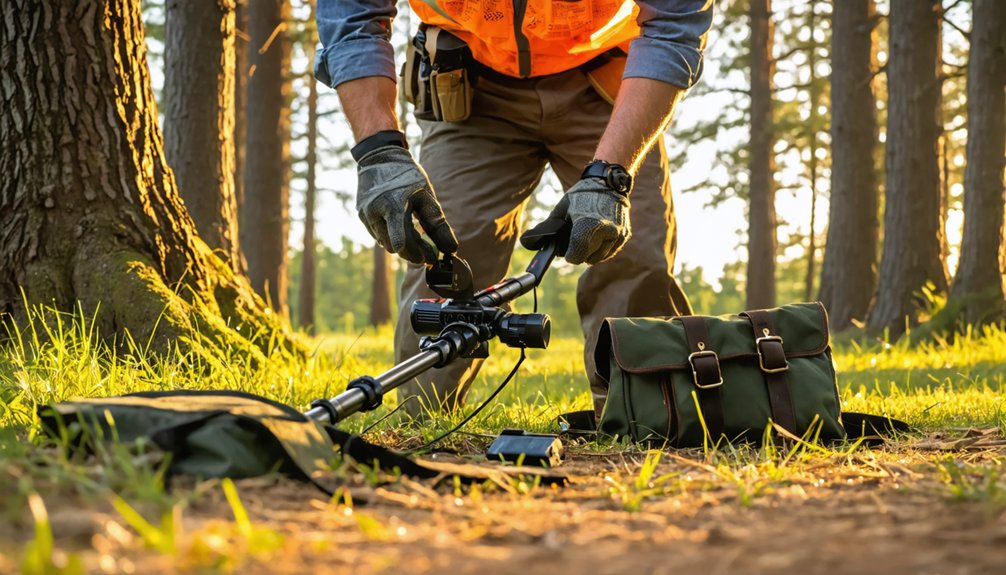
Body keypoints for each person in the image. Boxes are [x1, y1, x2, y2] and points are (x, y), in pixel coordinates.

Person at [316, 1, 713, 418]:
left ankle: (649, 419)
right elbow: (351, 16)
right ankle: (420, 423)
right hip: (470, 83)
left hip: (608, 81)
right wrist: (379, 152)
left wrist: (610, 175)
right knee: (448, 250)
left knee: (633, 254)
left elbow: (674, 26)